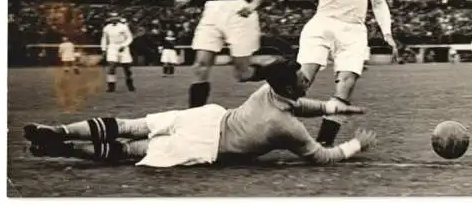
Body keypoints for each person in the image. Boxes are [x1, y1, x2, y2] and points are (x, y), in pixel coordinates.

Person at [24, 58, 377, 167]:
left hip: (206, 118)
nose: (306, 79)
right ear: (289, 86)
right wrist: (355, 146)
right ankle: (64, 148)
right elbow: (319, 156)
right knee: (131, 150)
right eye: (303, 77)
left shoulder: (268, 91)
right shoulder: (286, 126)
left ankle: (60, 132)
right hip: (207, 144)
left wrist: (335, 107)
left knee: (129, 126)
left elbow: (302, 104)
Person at [254, 0, 397, 147]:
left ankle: (323, 144)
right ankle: (264, 128)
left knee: (346, 85)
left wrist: (387, 32)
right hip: (322, 25)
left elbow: (379, 2)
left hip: (353, 30)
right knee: (300, 82)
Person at [100, 12, 135, 92]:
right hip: (112, 47)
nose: (114, 19)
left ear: (118, 18)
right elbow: (104, 39)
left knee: (127, 68)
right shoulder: (107, 28)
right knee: (111, 67)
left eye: (115, 17)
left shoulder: (124, 27)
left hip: (123, 47)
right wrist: (104, 49)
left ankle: (130, 85)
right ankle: (111, 87)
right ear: (110, 19)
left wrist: (123, 45)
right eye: (112, 17)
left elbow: (129, 38)